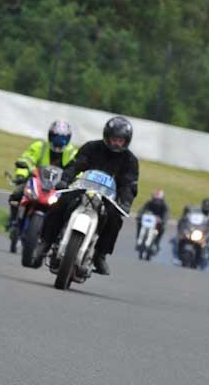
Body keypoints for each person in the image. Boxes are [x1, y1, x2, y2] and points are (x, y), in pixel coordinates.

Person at [39, 115, 139, 275]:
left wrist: (126, 202)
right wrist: (64, 180)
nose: (116, 143)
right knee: (60, 203)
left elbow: (129, 184)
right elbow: (75, 165)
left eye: (121, 140)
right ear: (107, 136)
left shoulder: (130, 160)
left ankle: (100, 255)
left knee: (115, 219)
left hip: (107, 198)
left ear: (126, 141)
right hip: (82, 188)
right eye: (114, 139)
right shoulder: (92, 147)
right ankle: (45, 242)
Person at [7, 120, 77, 229]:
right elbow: (26, 158)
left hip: (59, 185)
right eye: (56, 137)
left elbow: (78, 168)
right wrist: (22, 174)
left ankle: (61, 231)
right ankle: (13, 221)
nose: (59, 142)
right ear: (50, 136)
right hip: (37, 180)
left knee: (71, 205)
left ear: (68, 139)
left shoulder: (72, 152)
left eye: (63, 138)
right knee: (17, 194)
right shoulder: (40, 146)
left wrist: (74, 181)